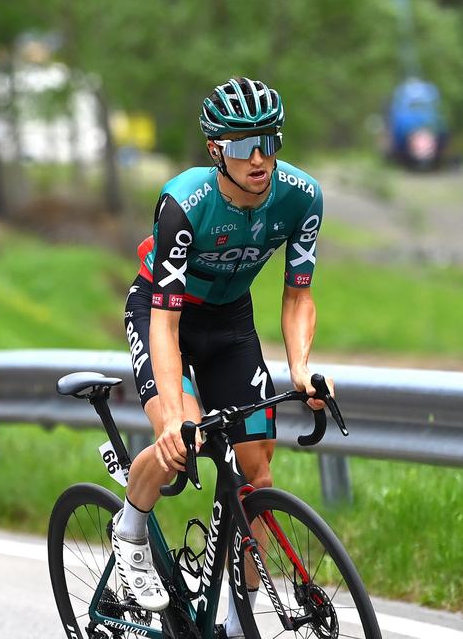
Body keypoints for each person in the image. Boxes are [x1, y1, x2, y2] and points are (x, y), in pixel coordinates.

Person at [116, 77, 332, 633]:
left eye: (267, 141)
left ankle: (240, 620)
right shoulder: (185, 203)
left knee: (256, 471)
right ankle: (131, 533)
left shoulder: (302, 196)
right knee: (177, 441)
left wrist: (301, 370)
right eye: (241, 146)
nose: (258, 157)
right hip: (167, 315)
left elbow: (298, 294)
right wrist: (170, 410)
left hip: (232, 320)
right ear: (217, 150)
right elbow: (164, 321)